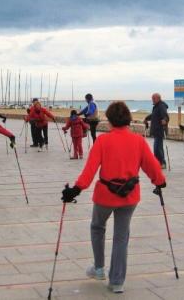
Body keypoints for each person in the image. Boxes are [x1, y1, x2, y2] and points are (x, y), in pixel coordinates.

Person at [61, 101, 166, 294]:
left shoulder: (103, 141)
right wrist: (159, 181)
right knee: (121, 237)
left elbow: (89, 170)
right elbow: (152, 166)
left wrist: (76, 190)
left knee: (97, 227)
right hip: (129, 196)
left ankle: (99, 268)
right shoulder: (138, 141)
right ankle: (117, 281)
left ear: (109, 121)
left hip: (105, 196)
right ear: (127, 119)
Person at [144, 93, 170, 169]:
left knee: (158, 147)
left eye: (154, 99)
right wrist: (146, 118)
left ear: (158, 98)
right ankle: (158, 162)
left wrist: (165, 120)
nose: (152, 100)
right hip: (156, 130)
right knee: (157, 147)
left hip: (160, 130)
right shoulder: (156, 106)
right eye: (152, 99)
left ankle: (162, 163)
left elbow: (165, 116)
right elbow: (153, 115)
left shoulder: (161, 106)